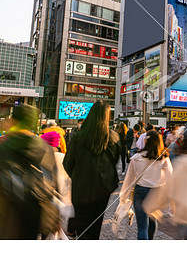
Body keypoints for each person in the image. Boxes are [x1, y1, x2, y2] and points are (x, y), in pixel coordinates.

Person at [63, 101, 121, 240]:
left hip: (81, 189)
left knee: (82, 227)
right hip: (103, 190)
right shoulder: (114, 137)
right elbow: (114, 163)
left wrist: (78, 175)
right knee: (96, 227)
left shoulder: (78, 136)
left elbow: (67, 164)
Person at [0, 104, 59, 239]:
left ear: (14, 122)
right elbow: (53, 184)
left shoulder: (4, 148)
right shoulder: (46, 149)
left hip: (6, 219)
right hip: (34, 217)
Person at [119, 130, 173, 240]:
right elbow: (170, 177)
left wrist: (123, 197)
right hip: (157, 192)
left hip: (141, 192)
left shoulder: (137, 157)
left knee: (142, 227)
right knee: (153, 222)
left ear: (146, 141)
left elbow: (129, 179)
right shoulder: (163, 157)